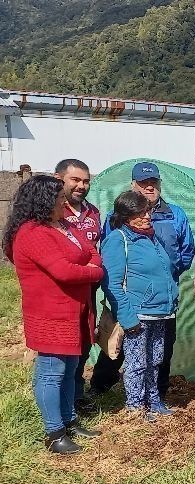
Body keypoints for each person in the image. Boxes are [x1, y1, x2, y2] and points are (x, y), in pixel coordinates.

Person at [3, 174, 103, 454]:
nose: (65, 202)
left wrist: (91, 263)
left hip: (76, 310)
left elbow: (90, 251)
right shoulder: (33, 233)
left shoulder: (64, 225)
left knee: (71, 369)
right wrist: (94, 271)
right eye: (60, 198)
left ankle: (69, 420)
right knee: (51, 372)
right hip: (52, 314)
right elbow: (65, 271)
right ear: (44, 201)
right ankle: (54, 432)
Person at [92, 162, 195, 398]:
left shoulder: (175, 214)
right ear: (133, 185)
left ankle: (157, 392)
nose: (149, 187)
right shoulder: (116, 218)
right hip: (130, 294)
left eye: (153, 182)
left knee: (162, 347)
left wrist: (165, 277)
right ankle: (100, 387)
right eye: (143, 183)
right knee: (118, 342)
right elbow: (112, 255)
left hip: (163, 297)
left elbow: (186, 251)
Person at [101, 191, 179, 422]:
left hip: (160, 312)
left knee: (155, 360)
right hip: (138, 313)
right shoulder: (118, 239)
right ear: (125, 216)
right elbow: (112, 283)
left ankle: (153, 401)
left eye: (148, 210)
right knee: (137, 363)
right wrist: (127, 317)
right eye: (140, 212)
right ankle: (136, 407)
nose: (147, 216)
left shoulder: (150, 237)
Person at [55, 158, 102, 410]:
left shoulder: (92, 212)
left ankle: (76, 397)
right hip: (62, 292)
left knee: (84, 341)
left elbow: (96, 248)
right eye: (75, 180)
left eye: (86, 181)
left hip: (89, 290)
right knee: (61, 348)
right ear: (58, 179)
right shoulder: (51, 212)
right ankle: (60, 404)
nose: (81, 186)